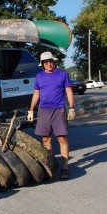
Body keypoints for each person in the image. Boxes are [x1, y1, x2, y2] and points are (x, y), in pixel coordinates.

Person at [27, 51, 75, 180]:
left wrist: (71, 108)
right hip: (43, 111)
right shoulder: (39, 76)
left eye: (51, 61)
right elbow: (36, 94)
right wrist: (31, 110)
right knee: (46, 140)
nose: (49, 63)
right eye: (46, 62)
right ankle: (49, 165)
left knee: (62, 139)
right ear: (42, 64)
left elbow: (69, 91)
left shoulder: (62, 74)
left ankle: (64, 167)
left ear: (54, 61)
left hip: (58, 110)